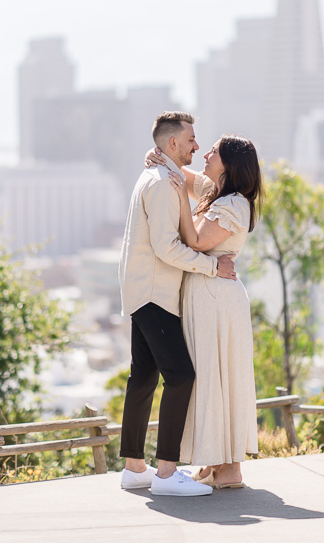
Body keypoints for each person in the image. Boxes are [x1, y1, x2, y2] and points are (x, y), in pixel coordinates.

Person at [119, 111, 237, 497]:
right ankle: (167, 476)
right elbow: (167, 247)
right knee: (181, 376)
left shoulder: (157, 176)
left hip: (142, 291)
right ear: (172, 144)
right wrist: (211, 267)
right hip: (155, 293)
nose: (196, 146)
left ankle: (135, 468)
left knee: (144, 378)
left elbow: (201, 187)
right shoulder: (162, 183)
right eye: (190, 140)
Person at [146, 134, 262, 488]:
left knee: (218, 376)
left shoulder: (235, 204)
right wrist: (161, 157)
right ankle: (218, 462)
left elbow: (195, 240)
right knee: (212, 375)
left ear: (230, 164)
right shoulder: (217, 193)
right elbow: (183, 173)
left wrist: (181, 195)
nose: (206, 154)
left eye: (214, 151)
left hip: (216, 298)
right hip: (206, 294)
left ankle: (230, 468)